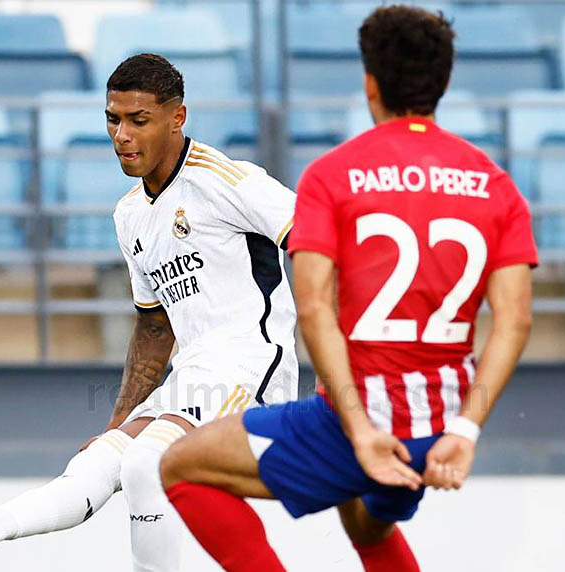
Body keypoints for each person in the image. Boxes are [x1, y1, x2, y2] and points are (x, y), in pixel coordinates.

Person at [159, 6, 538, 571]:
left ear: (370, 83)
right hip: (439, 429)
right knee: (363, 515)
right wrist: (465, 428)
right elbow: (515, 321)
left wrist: (359, 431)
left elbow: (314, 307)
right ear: (444, 83)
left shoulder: (333, 176)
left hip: (355, 423)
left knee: (181, 465)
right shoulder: (495, 183)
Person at [0, 53, 300, 572]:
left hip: (252, 365)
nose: (122, 135)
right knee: (101, 460)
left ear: (177, 117)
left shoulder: (226, 180)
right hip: (192, 373)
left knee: (144, 462)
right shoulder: (131, 213)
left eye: (139, 121)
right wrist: (120, 421)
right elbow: (155, 325)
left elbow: (320, 243)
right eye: (113, 119)